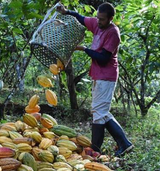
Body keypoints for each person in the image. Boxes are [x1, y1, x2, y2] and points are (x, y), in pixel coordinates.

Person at [57, 2, 133, 156]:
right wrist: (66, 12)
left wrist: (85, 49)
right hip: (98, 75)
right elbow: (81, 18)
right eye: (97, 18)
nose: (98, 22)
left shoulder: (113, 33)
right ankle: (122, 144)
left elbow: (104, 58)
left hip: (107, 75)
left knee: (99, 112)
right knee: (100, 111)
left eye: (102, 19)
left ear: (111, 18)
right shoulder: (97, 23)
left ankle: (97, 149)